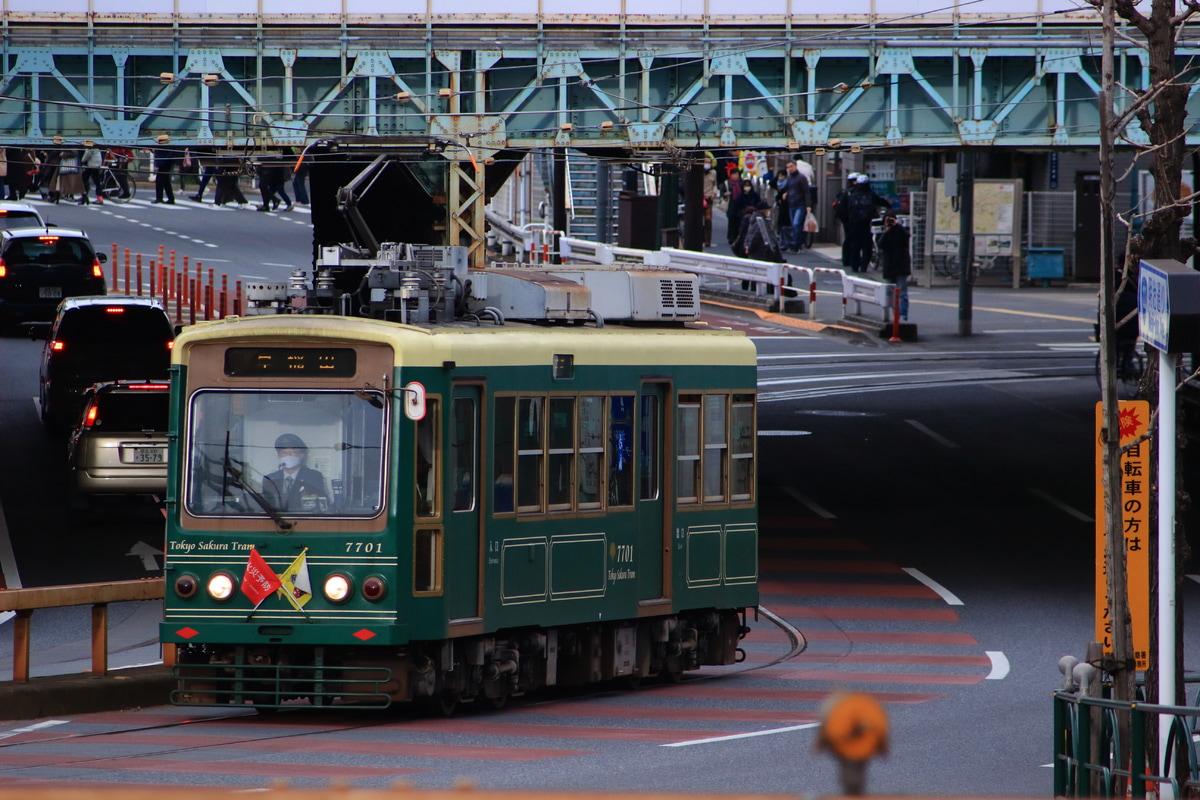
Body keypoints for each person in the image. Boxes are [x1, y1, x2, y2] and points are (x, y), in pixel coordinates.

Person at [260, 433, 329, 512]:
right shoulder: (270, 479)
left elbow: (321, 504)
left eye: (292, 452)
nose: (288, 456)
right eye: (284, 453)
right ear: (279, 456)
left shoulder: (313, 476)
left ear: (301, 455)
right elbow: (265, 506)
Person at [842, 174, 890, 273]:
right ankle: (864, 265)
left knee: (856, 245)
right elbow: (880, 201)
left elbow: (849, 208)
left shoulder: (853, 195)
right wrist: (889, 204)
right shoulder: (870, 194)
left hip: (855, 223)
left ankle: (855, 266)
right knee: (867, 245)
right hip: (867, 223)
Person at [878, 213, 911, 320]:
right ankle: (895, 314)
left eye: (891, 220)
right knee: (890, 293)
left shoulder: (901, 232)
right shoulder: (885, 233)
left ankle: (903, 314)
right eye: (887, 221)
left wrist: (897, 225)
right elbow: (881, 244)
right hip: (889, 267)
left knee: (902, 292)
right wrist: (887, 231)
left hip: (901, 266)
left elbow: (906, 235)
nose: (889, 223)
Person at [781, 159, 813, 252]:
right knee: (794, 225)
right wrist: (786, 193)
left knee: (796, 224)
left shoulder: (801, 178)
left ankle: (796, 244)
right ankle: (795, 243)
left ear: (795, 166)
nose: (790, 169)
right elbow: (789, 188)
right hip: (792, 203)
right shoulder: (789, 178)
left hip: (800, 204)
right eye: (788, 167)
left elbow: (806, 192)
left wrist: (808, 205)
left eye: (791, 166)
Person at [726, 179, 761, 247]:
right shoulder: (740, 196)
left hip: (754, 214)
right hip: (743, 215)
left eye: (748, 186)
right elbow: (736, 208)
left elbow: (759, 204)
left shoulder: (755, 195)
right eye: (745, 186)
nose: (747, 187)